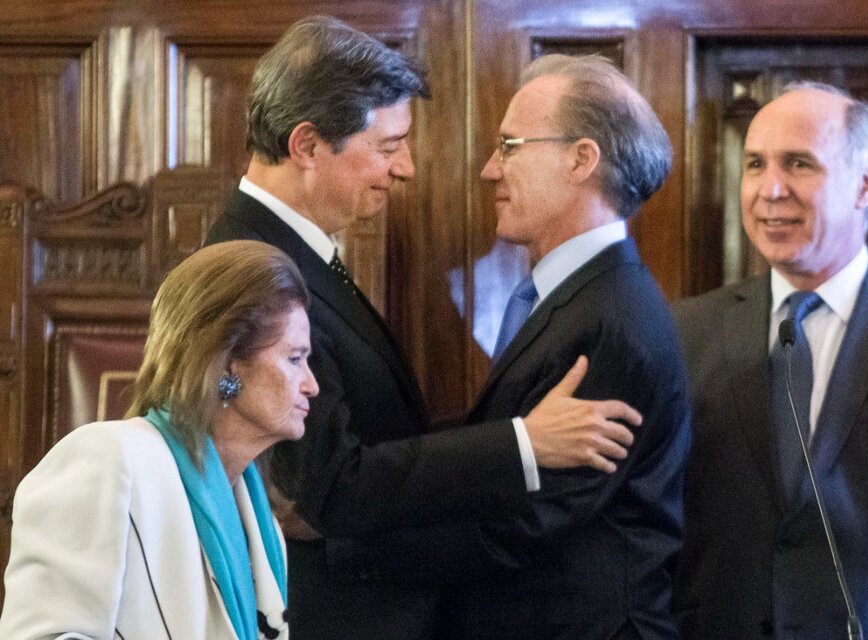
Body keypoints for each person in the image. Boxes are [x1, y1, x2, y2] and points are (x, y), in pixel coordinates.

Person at [204, 16, 642, 640]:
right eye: (387, 146)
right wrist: (522, 443)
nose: (406, 167)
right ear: (306, 146)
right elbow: (330, 484)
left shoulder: (289, 250)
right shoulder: (252, 267)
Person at [332, 53, 691, 640]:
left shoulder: (612, 321)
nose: (489, 170)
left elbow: (524, 523)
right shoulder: (575, 296)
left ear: (582, 159)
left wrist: (349, 548)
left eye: (511, 146)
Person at [673, 82, 868, 640]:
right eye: (755, 164)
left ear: (866, 182)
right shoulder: (685, 331)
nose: (770, 189)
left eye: (799, 164)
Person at [0, 240, 316, 640]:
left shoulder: (261, 519)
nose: (311, 384)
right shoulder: (109, 459)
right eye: (294, 358)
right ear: (228, 360)